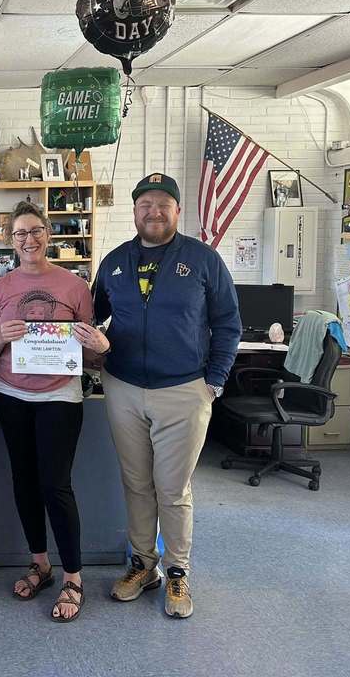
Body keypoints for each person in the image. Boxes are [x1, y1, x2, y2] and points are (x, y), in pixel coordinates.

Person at [92, 172, 240, 619]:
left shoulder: (203, 260)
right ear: (134, 211)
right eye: (145, 204)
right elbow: (93, 318)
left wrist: (212, 382)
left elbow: (229, 324)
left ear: (177, 210)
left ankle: (177, 571)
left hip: (183, 389)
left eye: (163, 204)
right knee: (136, 484)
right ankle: (143, 565)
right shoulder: (114, 262)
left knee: (172, 489)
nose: (153, 212)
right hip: (123, 389)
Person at [0, 201, 109, 623]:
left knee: (56, 485)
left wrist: (98, 348)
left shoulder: (74, 285)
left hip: (59, 397)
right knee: (25, 482)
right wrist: (0, 338)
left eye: (35, 231)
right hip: (12, 393)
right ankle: (41, 563)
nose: (28, 240)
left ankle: (73, 576)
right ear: (9, 240)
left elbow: (89, 355)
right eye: (19, 234)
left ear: (47, 235)